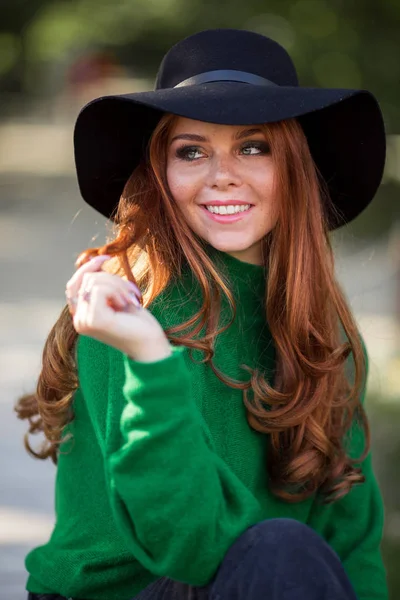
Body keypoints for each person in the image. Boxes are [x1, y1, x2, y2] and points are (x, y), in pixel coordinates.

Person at [16, 28, 388, 600]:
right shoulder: (130, 307)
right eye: (191, 151)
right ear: (159, 175)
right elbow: (189, 546)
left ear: (295, 168)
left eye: (254, 147)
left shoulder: (324, 329)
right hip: (131, 590)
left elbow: (351, 542)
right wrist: (147, 354)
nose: (221, 175)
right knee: (278, 548)